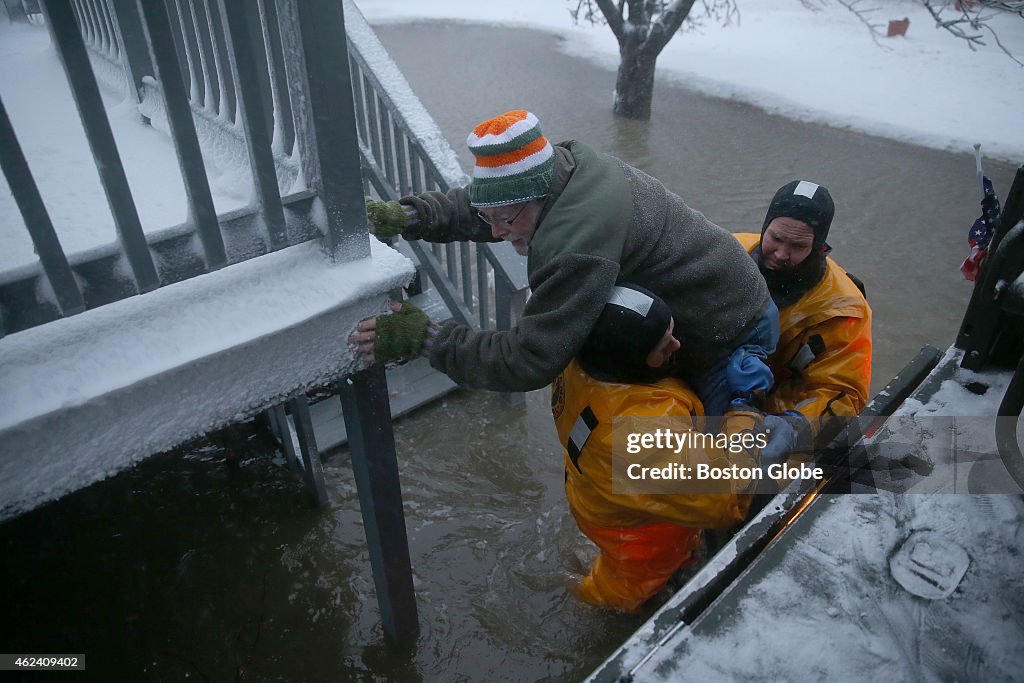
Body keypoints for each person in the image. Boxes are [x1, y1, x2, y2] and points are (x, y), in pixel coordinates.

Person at [351, 110, 777, 415]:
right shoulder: (562, 168)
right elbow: (487, 203)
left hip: (728, 329)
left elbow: (529, 359)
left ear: (541, 199)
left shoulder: (576, 245)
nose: (496, 233)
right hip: (718, 287)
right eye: (490, 218)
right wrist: (408, 216)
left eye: (508, 221)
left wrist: (425, 340)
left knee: (715, 476)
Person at [552, 283, 779, 612]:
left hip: (598, 492)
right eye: (663, 347)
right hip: (637, 534)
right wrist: (746, 409)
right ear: (632, 362)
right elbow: (728, 496)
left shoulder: (583, 360)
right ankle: (599, 609)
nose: (678, 344)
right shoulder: (637, 435)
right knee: (627, 594)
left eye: (672, 330)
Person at [736, 180, 872, 461]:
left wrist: (796, 425)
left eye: (797, 245)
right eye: (775, 238)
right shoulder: (728, 251)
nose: (781, 253)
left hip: (774, 413)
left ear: (819, 246)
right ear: (765, 226)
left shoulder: (844, 310)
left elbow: (843, 392)